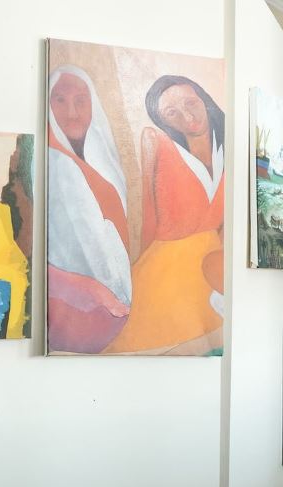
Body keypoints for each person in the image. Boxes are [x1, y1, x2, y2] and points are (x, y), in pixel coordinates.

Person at [105, 75, 225, 355]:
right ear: (163, 121)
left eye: (190, 103)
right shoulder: (157, 141)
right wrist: (138, 272)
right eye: (172, 112)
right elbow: (148, 215)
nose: (187, 116)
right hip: (165, 270)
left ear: (204, 100)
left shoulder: (230, 144)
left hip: (212, 267)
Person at [46, 65, 132, 354]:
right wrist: (89, 290)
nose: (72, 112)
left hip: (115, 304)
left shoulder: (102, 160)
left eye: (81, 101)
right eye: (60, 100)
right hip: (74, 310)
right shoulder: (52, 163)